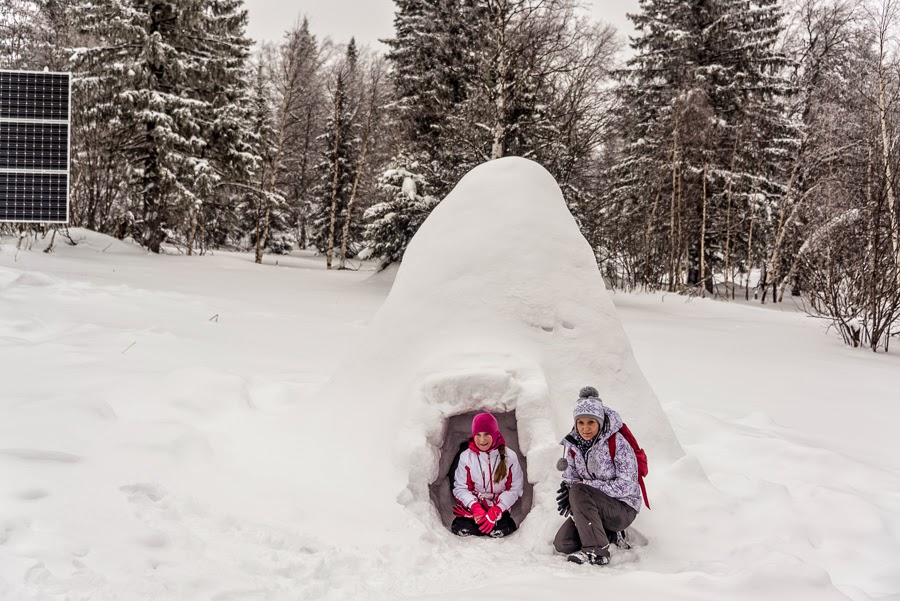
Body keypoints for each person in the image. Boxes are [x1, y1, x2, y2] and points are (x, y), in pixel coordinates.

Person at [554, 386, 641, 565]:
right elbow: (571, 476)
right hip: (593, 507)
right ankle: (608, 535)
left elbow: (627, 485)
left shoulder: (617, 443)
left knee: (580, 490)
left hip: (622, 508)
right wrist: (569, 489)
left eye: (591, 422)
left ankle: (597, 551)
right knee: (563, 543)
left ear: (599, 422)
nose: (585, 428)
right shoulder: (574, 445)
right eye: (581, 423)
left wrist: (584, 487)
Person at [450, 412, 524, 537]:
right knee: (461, 526)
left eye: (486, 434)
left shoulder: (509, 457)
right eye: (478, 435)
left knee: (503, 527)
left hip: (498, 509)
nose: (482, 440)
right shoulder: (466, 457)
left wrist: (497, 509)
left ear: (494, 433)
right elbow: (460, 488)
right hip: (475, 508)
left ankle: (495, 523)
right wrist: (475, 507)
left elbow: (515, 489)